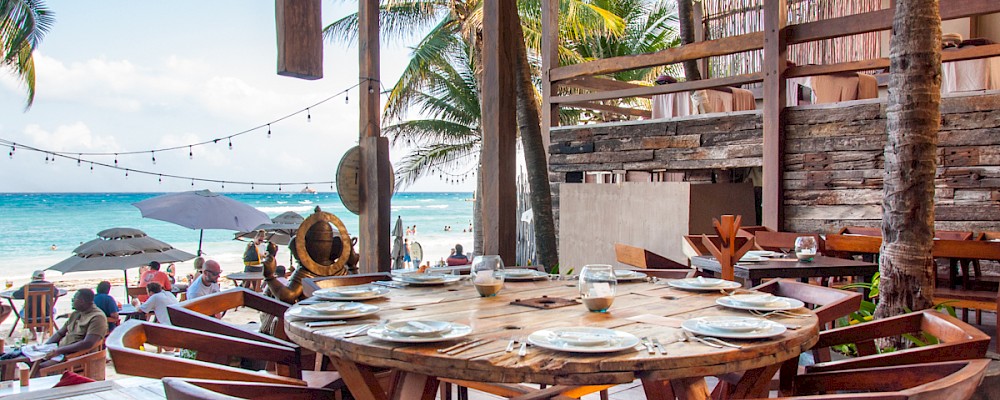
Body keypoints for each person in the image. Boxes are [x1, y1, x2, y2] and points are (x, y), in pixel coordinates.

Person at [37, 289, 107, 372]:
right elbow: (60, 333)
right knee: (29, 361)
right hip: (61, 352)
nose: (72, 301)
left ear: (82, 301)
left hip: (76, 357)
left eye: (74, 299)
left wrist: (59, 351)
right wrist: (45, 347)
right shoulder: (76, 313)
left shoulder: (97, 317)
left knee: (39, 367)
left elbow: (88, 343)